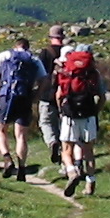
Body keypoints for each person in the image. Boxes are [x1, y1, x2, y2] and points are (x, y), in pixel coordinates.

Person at [0, 37, 47, 181]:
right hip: (25, 98)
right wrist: (36, 96)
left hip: (7, 97)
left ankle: (7, 158)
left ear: (15, 45)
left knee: (1, 129)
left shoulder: (5, 55)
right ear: (27, 47)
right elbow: (44, 80)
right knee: (21, 135)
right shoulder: (34, 60)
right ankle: (22, 169)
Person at [54, 42, 105, 197]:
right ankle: (90, 184)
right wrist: (95, 111)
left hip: (70, 114)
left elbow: (58, 95)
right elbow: (102, 97)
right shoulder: (94, 73)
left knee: (66, 150)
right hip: (88, 113)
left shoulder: (68, 71)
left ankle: (71, 172)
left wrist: (60, 111)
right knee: (88, 151)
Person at [35, 24, 69, 164]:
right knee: (63, 127)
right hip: (66, 95)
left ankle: (52, 142)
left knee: (46, 122)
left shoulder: (45, 53)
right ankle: (65, 157)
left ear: (51, 37)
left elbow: (38, 74)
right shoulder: (69, 53)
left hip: (47, 94)